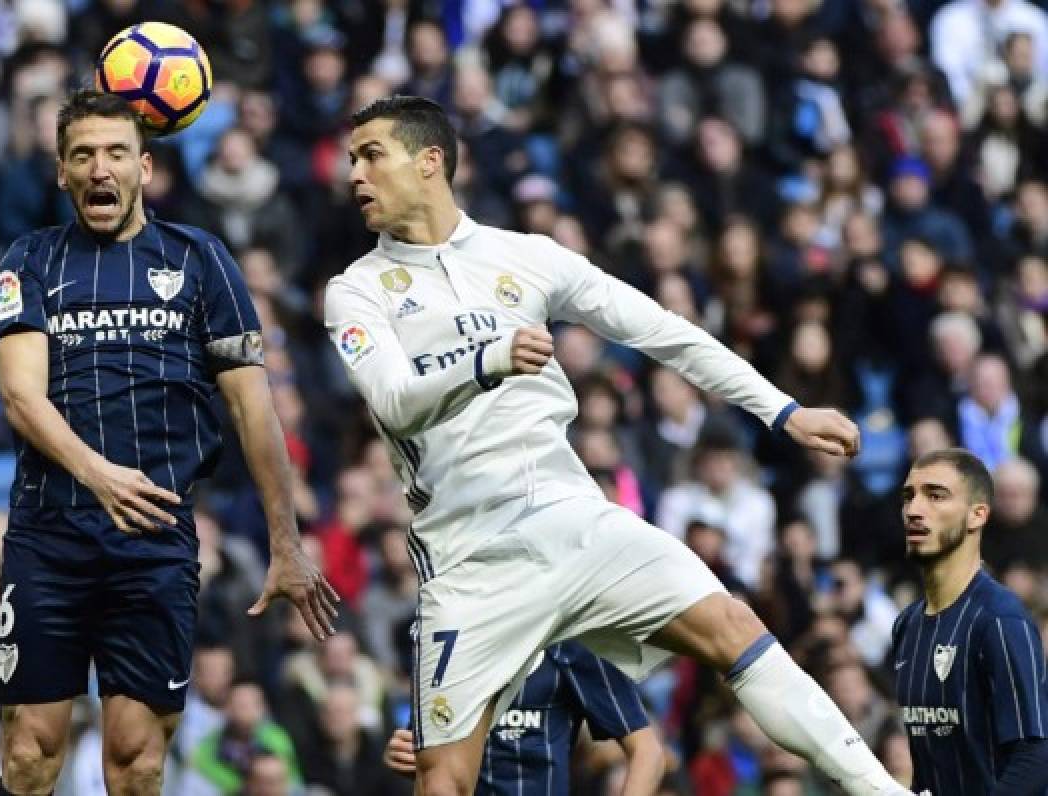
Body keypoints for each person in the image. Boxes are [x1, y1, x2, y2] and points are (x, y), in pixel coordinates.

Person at [325, 95, 921, 796]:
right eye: (351, 159)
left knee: (732, 623)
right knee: (443, 779)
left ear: (430, 162)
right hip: (470, 557)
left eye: (371, 155)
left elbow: (662, 330)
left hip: (572, 517)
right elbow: (393, 400)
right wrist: (488, 358)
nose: (354, 175)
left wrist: (782, 411)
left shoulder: (527, 258)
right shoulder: (356, 291)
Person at [0, 90, 337, 796]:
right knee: (30, 752)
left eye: (116, 153)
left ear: (145, 167)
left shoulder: (202, 259)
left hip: (154, 540)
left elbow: (253, 407)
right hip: (48, 535)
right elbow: (20, 396)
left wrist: (286, 541)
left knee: (137, 761)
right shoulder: (29, 260)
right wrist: (98, 475)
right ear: (61, 172)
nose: (99, 169)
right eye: (82, 155)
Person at [893, 447, 1048, 795]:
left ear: (977, 515)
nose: (914, 510)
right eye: (909, 497)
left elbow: (1035, 756)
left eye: (936, 496)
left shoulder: (1000, 618)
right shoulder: (907, 625)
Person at [383, 640, 665, 795]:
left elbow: (648, 751)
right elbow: (432, 758)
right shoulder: (453, 641)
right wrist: (406, 756)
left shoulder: (573, 643)